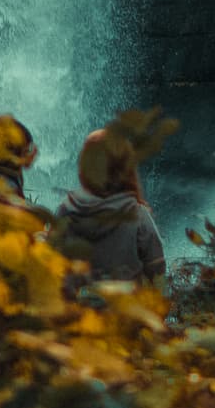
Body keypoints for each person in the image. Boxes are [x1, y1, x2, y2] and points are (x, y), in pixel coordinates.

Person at [49, 124, 167, 293]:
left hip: (79, 307)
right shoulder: (137, 215)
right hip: (124, 306)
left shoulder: (67, 209)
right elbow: (157, 270)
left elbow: (50, 262)